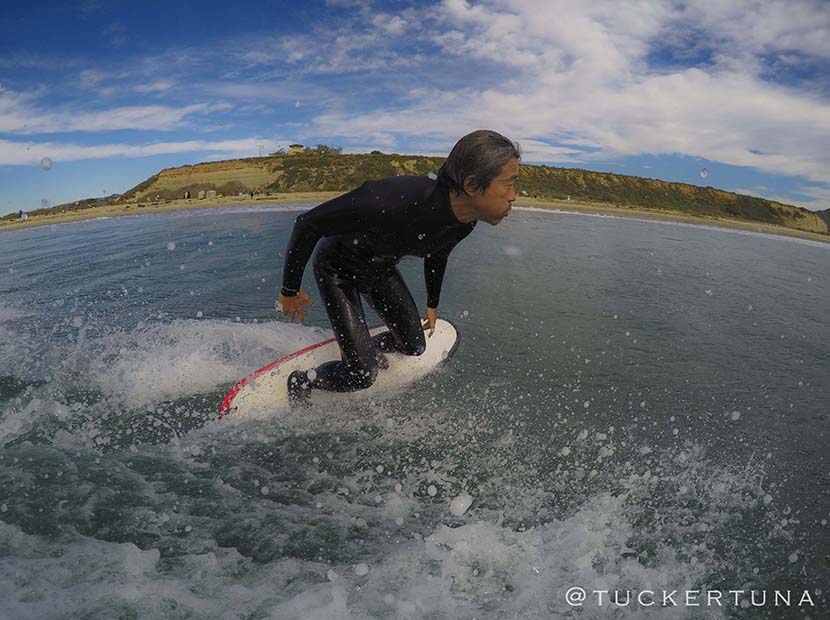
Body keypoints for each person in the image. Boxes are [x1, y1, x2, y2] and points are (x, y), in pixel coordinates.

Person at [276, 129, 520, 403]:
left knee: (414, 347)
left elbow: (438, 255)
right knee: (361, 376)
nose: (514, 196)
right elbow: (307, 223)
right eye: (509, 184)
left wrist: (432, 303)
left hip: (379, 271)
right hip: (337, 272)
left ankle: (366, 347)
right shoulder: (394, 200)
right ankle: (302, 380)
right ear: (473, 185)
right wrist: (289, 290)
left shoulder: (464, 223)